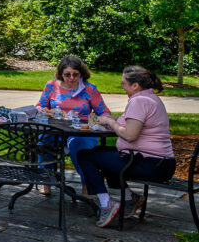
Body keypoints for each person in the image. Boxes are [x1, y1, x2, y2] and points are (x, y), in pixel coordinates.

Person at [82, 66, 177, 228]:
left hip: (151, 164)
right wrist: (113, 122)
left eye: (124, 83)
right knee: (100, 154)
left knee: (85, 156)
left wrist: (111, 122)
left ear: (135, 85)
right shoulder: (149, 98)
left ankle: (107, 205)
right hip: (159, 162)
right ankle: (129, 197)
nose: (121, 86)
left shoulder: (140, 101)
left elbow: (131, 135)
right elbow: (133, 125)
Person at [35, 56, 109, 195]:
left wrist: (96, 120)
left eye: (75, 74)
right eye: (67, 74)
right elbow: (40, 106)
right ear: (60, 74)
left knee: (79, 146)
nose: (71, 78)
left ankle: (87, 184)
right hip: (56, 129)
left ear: (81, 73)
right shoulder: (51, 85)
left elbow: (104, 112)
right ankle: (46, 178)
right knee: (43, 139)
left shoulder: (89, 89)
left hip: (81, 131)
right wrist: (43, 110)